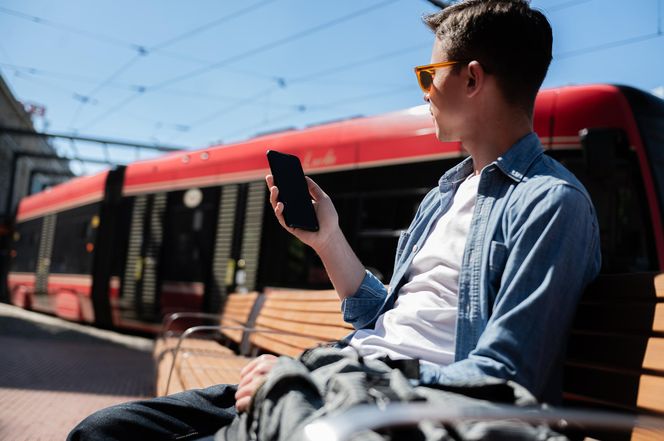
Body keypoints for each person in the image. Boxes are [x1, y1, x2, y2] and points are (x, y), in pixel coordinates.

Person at [68, 1, 601, 439]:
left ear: (471, 79)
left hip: (373, 406)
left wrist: (325, 374)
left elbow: (503, 376)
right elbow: (389, 319)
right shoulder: (445, 194)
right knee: (105, 429)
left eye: (428, 74)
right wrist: (328, 239)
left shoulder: (550, 204)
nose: (423, 91)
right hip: (334, 381)